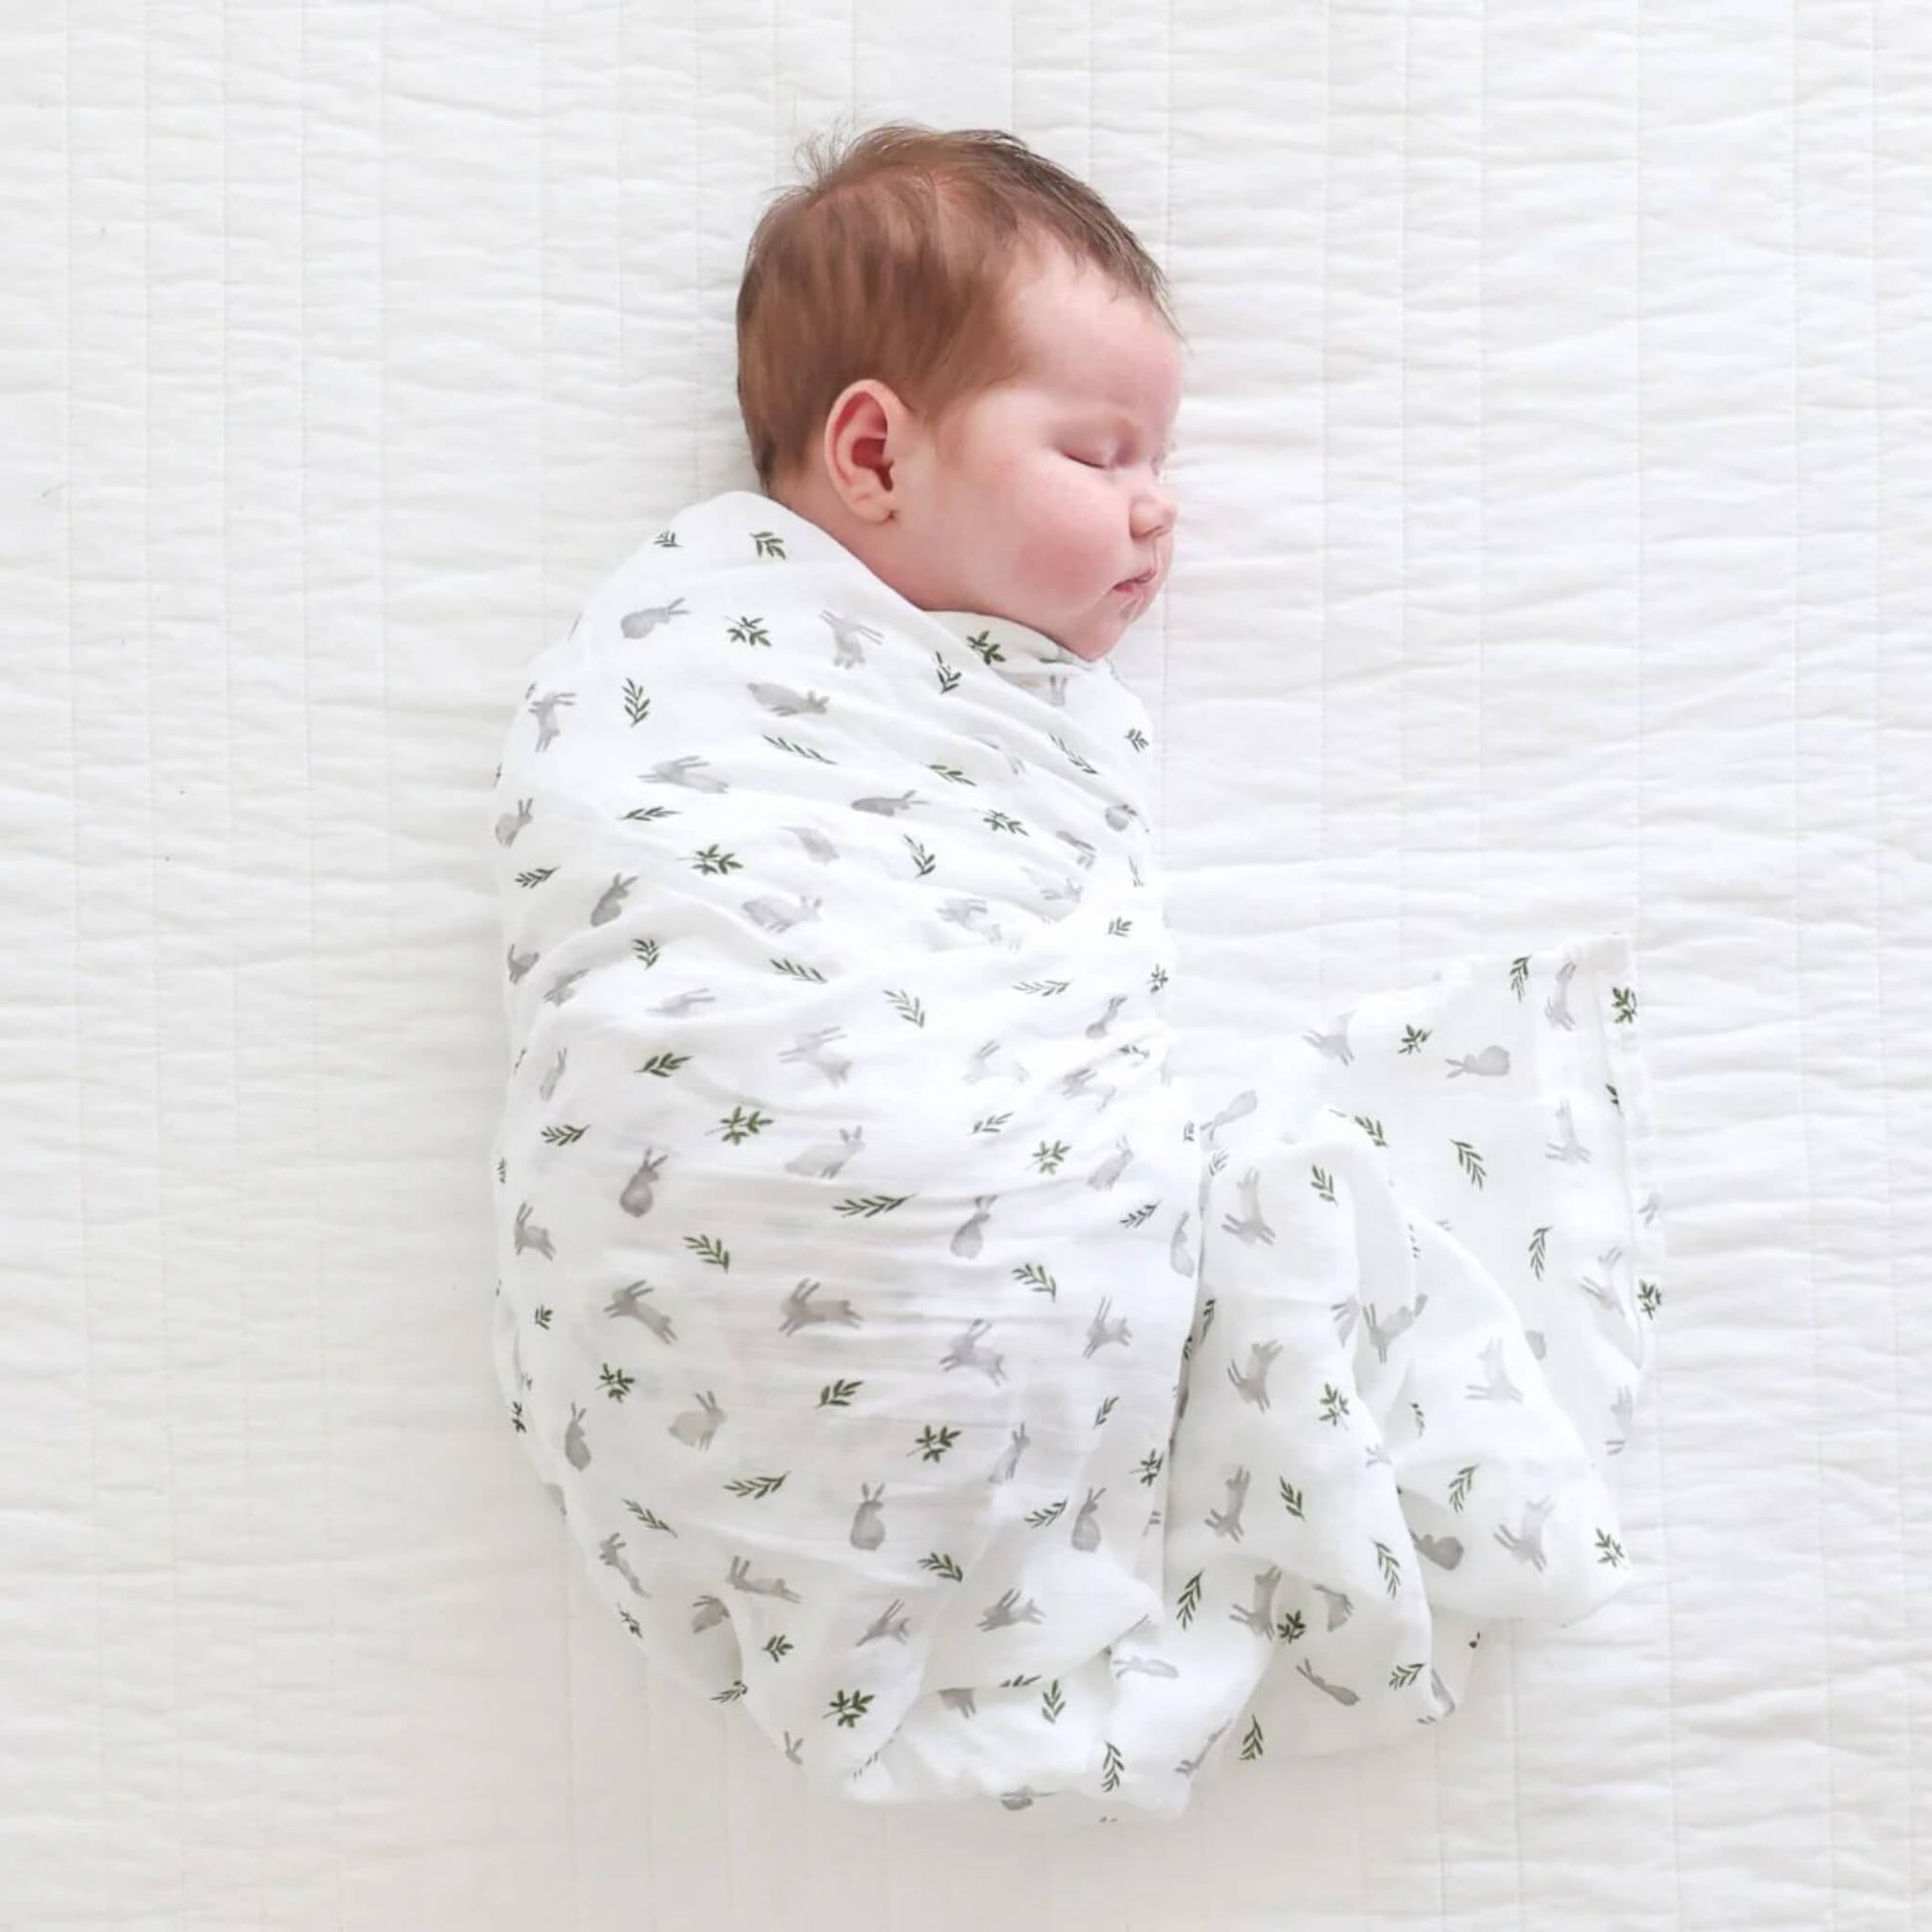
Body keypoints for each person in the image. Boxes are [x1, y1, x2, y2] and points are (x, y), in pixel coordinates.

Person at [486, 123, 1664, 1825]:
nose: (1156, 499)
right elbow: (616, 877)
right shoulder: (686, 667)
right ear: (874, 452)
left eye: (1158, 454)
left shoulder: (991, 730)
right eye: (1100, 449)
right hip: (727, 1237)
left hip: (1001, 1241)